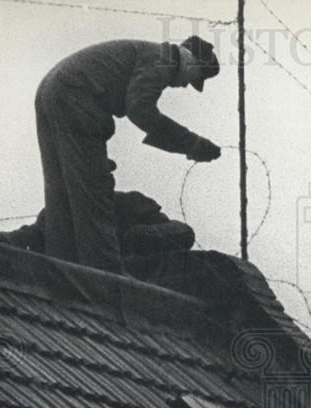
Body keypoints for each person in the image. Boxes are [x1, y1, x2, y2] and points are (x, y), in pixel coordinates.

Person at [34, 36, 221, 274]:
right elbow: (140, 109)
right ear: (191, 64)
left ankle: (61, 272)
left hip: (52, 90)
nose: (184, 86)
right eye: (193, 80)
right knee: (93, 192)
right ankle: (107, 279)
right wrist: (192, 143)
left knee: (62, 194)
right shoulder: (163, 60)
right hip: (76, 96)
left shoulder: (152, 55)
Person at [0, 187, 196, 258]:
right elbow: (25, 237)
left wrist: (140, 237)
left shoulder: (128, 204)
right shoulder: (61, 215)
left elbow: (183, 232)